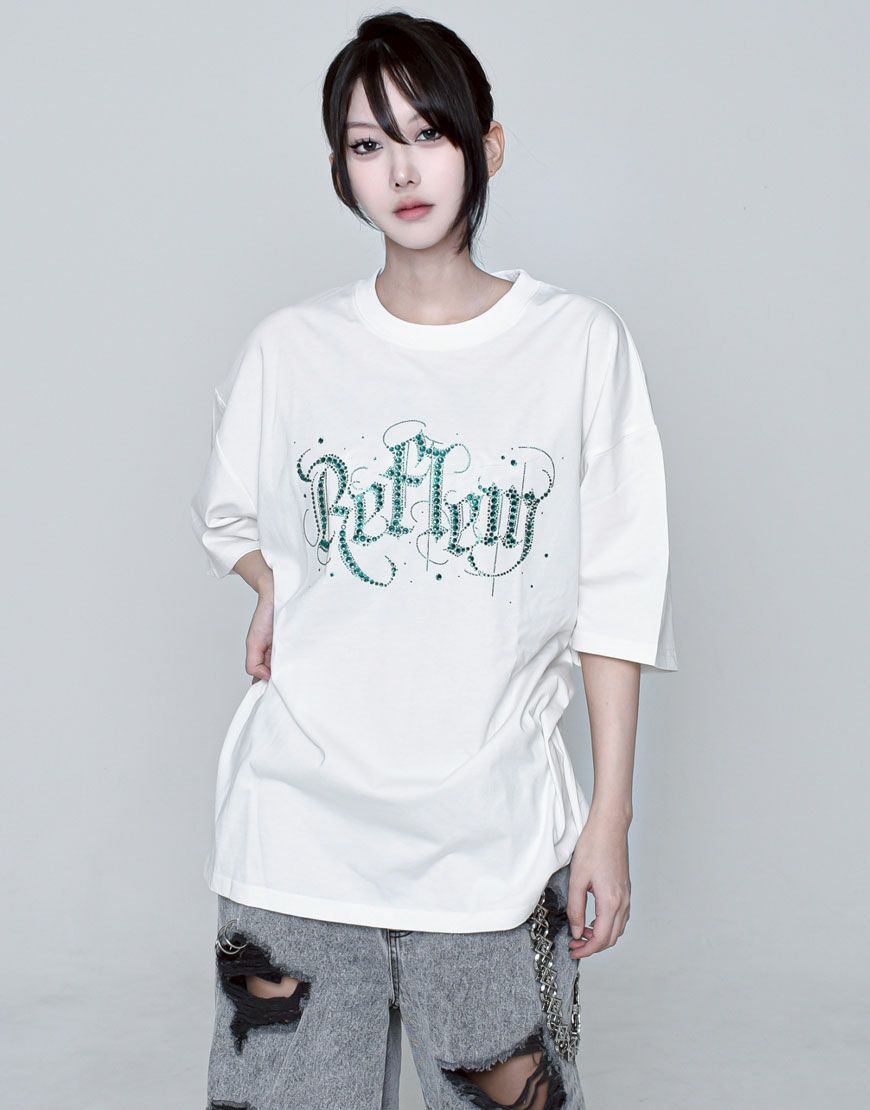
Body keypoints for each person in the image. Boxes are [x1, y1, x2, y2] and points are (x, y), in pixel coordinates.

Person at [190, 10, 677, 1110]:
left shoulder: (577, 346)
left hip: (496, 851)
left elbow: (617, 595)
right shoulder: (290, 351)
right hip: (295, 849)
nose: (402, 171)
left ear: (485, 146)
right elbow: (235, 521)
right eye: (369, 144)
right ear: (340, 170)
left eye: (429, 133)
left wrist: (609, 819)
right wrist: (272, 586)